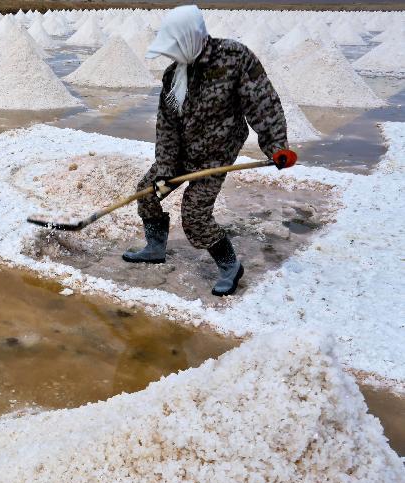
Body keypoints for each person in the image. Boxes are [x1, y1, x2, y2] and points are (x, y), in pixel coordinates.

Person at [122, 4, 294, 296]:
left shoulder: (234, 59)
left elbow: (263, 104)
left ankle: (230, 266)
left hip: (217, 155)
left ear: (189, 39)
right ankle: (155, 247)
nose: (171, 56)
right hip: (182, 152)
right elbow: (167, 127)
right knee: (148, 192)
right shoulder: (173, 76)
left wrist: (276, 146)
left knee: (195, 215)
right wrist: (164, 170)